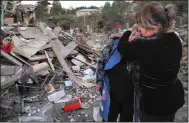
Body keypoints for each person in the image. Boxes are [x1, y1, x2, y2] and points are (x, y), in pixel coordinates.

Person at [117, 2, 185, 122]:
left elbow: (122, 48)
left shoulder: (143, 44)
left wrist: (127, 33)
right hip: (173, 97)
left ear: (156, 27)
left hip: (154, 104)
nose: (139, 30)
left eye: (142, 26)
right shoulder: (175, 38)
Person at [96, 34, 134, 122]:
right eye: (134, 34)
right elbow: (101, 63)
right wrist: (99, 81)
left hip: (129, 93)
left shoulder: (138, 47)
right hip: (112, 91)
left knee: (127, 118)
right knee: (109, 116)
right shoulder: (113, 45)